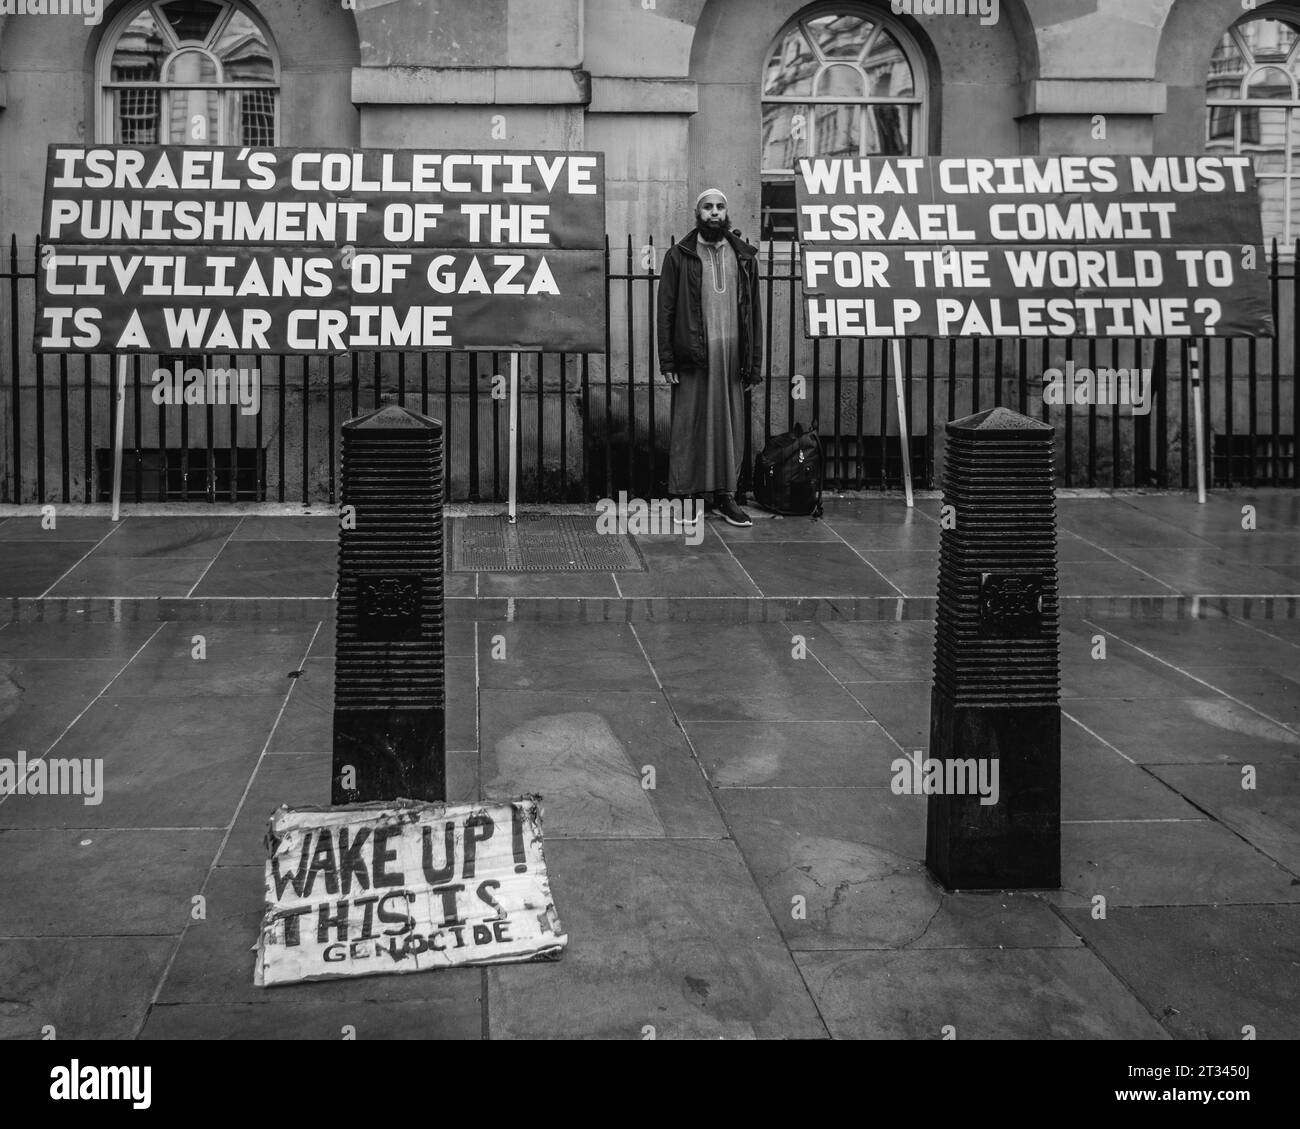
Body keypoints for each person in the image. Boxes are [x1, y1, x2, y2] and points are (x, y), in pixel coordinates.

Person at [656, 188, 763, 528]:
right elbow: (666, 311)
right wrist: (667, 361)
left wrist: (754, 364)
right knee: (691, 422)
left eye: (720, 207)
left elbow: (754, 315)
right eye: (707, 207)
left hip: (732, 355)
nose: (714, 212)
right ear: (697, 212)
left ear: (726, 213)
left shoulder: (744, 256)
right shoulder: (679, 255)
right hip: (694, 353)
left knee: (729, 423)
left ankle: (725, 496)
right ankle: (688, 496)